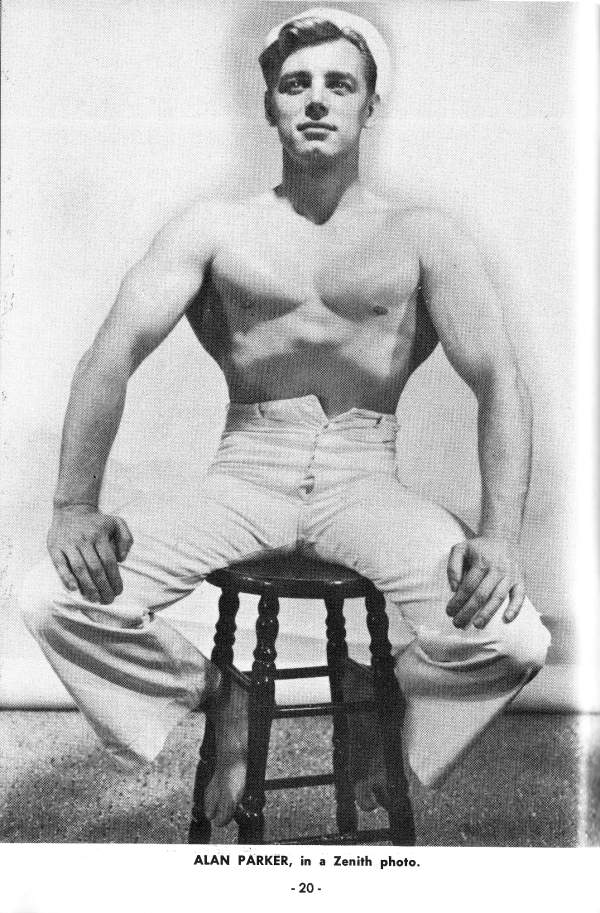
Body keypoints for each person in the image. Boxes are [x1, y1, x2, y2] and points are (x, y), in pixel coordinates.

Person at [20, 7, 551, 828]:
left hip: (364, 477)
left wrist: (502, 535)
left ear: (370, 104)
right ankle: (219, 689)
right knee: (52, 597)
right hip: (245, 470)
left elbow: (499, 380)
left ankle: (378, 693)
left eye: (340, 83)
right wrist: (72, 504)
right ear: (268, 104)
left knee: (514, 640)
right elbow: (110, 355)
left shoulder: (423, 236)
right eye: (295, 84)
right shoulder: (214, 228)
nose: (316, 100)